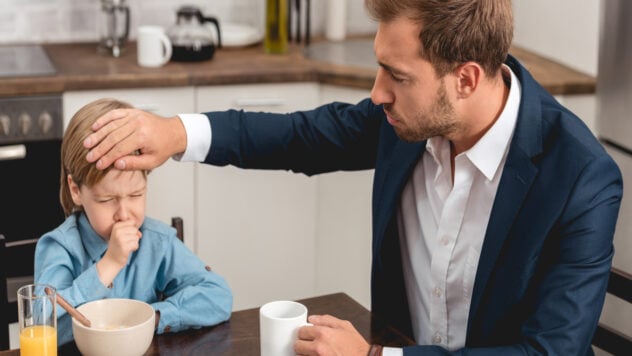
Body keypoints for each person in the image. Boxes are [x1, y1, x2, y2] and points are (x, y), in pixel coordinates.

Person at [81, 0, 622, 355]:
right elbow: (300, 135)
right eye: (380, 66)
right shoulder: (408, 119)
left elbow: (549, 352)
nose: (378, 93)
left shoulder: (579, 178)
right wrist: (176, 132)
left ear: (466, 79)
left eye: (398, 75)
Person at [34, 98, 233, 346]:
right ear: (76, 190)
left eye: (136, 195)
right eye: (107, 199)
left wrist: (152, 318)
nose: (125, 214)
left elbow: (218, 296)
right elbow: (42, 327)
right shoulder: (59, 247)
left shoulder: (156, 242)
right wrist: (110, 264)